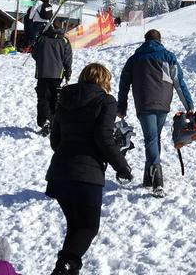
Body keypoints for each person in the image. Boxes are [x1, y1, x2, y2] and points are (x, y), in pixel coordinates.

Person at [46, 62, 132, 275]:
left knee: (76, 228)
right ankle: (63, 269)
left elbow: (55, 140)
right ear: (104, 81)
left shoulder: (64, 99)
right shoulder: (106, 101)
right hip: (86, 176)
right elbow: (103, 138)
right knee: (88, 228)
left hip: (59, 174)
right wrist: (122, 167)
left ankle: (67, 269)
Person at [117, 28, 195, 196]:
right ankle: (149, 175)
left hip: (144, 103)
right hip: (163, 103)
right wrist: (188, 105)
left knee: (151, 138)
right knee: (154, 137)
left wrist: (121, 107)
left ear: (145, 41)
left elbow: (124, 84)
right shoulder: (169, 57)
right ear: (160, 41)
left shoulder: (134, 59)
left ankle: (156, 180)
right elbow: (179, 83)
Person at [32, 18, 73, 136]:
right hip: (57, 75)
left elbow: (34, 54)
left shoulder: (41, 39)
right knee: (54, 99)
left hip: (42, 73)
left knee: (43, 98)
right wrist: (68, 73)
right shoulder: (64, 41)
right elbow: (67, 59)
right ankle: (53, 122)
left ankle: (43, 121)